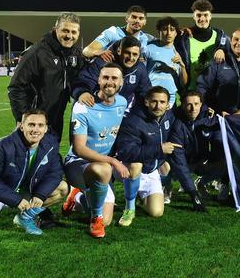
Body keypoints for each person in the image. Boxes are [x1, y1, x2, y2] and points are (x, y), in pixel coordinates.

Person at [63, 63, 129, 238]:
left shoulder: (122, 103)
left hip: (102, 166)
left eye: (114, 78)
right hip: (78, 164)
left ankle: (77, 196)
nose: (110, 82)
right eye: (105, 77)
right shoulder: (83, 106)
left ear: (121, 82)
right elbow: (79, 148)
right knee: (104, 168)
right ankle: (95, 219)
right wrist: (113, 161)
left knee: (109, 219)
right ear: (98, 80)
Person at [114, 86, 187, 227]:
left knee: (156, 212)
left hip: (150, 170)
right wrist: (159, 149)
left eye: (162, 102)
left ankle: (138, 194)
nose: (158, 106)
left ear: (168, 105)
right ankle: (129, 208)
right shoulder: (133, 121)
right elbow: (126, 153)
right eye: (154, 101)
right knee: (136, 165)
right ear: (146, 102)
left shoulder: (168, 117)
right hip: (126, 168)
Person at [8, 12, 86, 141]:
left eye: (73, 32)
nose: (69, 36)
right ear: (55, 30)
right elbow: (16, 88)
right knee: (28, 158)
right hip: (35, 121)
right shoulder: (37, 52)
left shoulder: (74, 55)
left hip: (56, 119)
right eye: (65, 31)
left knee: (50, 157)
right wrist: (24, 118)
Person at [0, 110, 68, 235]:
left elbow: (55, 173)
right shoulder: (2, 146)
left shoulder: (51, 144)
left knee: (62, 188)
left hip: (27, 190)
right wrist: (15, 200)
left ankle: (24, 218)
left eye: (40, 125)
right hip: (1, 194)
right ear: (21, 126)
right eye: (31, 125)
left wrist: (40, 194)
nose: (35, 130)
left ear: (45, 128)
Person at [72, 35, 151, 111]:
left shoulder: (140, 68)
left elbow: (145, 92)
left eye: (135, 54)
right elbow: (84, 80)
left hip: (120, 112)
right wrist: (82, 92)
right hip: (95, 108)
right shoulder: (103, 62)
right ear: (119, 50)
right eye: (127, 53)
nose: (131, 58)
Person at [169, 90, 218, 205]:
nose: (193, 108)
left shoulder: (209, 118)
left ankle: (202, 182)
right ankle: (166, 187)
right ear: (183, 105)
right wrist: (193, 193)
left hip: (200, 161)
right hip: (181, 163)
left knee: (225, 163)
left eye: (196, 104)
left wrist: (225, 118)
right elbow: (179, 161)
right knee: (165, 167)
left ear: (201, 104)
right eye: (189, 105)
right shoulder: (177, 124)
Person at [196, 28, 240, 114]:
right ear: (230, 42)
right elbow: (202, 86)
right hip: (222, 115)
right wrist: (210, 109)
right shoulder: (219, 60)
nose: (239, 43)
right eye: (236, 39)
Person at [174, 0, 227, 91]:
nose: (202, 19)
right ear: (193, 16)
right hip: (190, 90)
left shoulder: (219, 35)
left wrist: (222, 49)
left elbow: (234, 49)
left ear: (210, 16)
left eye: (205, 15)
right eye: (198, 15)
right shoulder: (183, 36)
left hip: (212, 90)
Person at [82, 5, 154, 62]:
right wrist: (98, 52)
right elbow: (86, 51)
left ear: (145, 22)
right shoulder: (112, 32)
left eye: (141, 18)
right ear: (126, 19)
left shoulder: (145, 38)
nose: (137, 21)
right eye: (134, 17)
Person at [145, 16, 187, 108]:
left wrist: (182, 66)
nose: (168, 33)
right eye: (164, 29)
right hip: (152, 96)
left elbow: (184, 83)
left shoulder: (179, 53)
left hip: (171, 98)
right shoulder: (148, 49)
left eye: (172, 30)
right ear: (158, 31)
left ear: (176, 33)